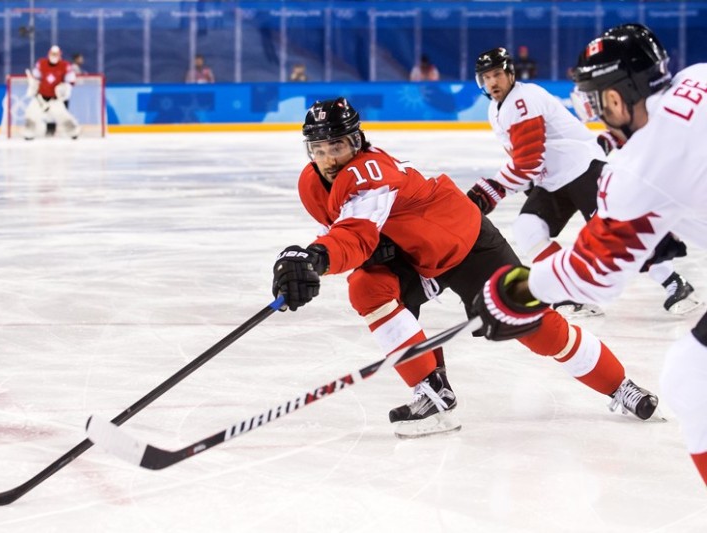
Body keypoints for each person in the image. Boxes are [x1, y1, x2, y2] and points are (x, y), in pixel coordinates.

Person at [271, 96, 658, 439]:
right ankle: (432, 393)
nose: (327, 159)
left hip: (466, 244)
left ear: (357, 142)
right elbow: (344, 235)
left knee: (535, 324)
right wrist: (311, 263)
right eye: (317, 149)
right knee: (366, 287)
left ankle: (619, 385)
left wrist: (316, 259)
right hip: (411, 256)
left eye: (336, 145)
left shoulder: (369, 174)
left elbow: (355, 235)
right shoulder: (311, 184)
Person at [473, 23, 707, 487]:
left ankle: (671, 281)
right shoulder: (697, 76)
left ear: (617, 99)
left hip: (576, 174)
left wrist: (516, 290)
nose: (595, 111)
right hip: (558, 181)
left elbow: (594, 272)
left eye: (596, 99)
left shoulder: (640, 169)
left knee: (689, 379)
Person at [468, 47, 699, 316]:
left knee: (618, 234)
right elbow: (529, 160)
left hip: (582, 169)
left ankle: (675, 283)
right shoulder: (497, 109)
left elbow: (528, 159)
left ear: (509, 73)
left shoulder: (524, 99)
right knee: (527, 227)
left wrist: (491, 191)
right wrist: (524, 182)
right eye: (486, 77)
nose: (492, 82)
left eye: (497, 74)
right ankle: (569, 294)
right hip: (554, 180)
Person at [23, 45, 80, 140]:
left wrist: (64, 88)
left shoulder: (65, 66)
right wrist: (32, 85)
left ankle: (73, 132)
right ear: (49, 54)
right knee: (31, 113)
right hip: (40, 98)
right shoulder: (41, 63)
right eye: (52, 54)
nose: (54, 56)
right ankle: (29, 133)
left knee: (63, 116)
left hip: (55, 99)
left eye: (56, 54)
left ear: (60, 55)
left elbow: (71, 81)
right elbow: (36, 78)